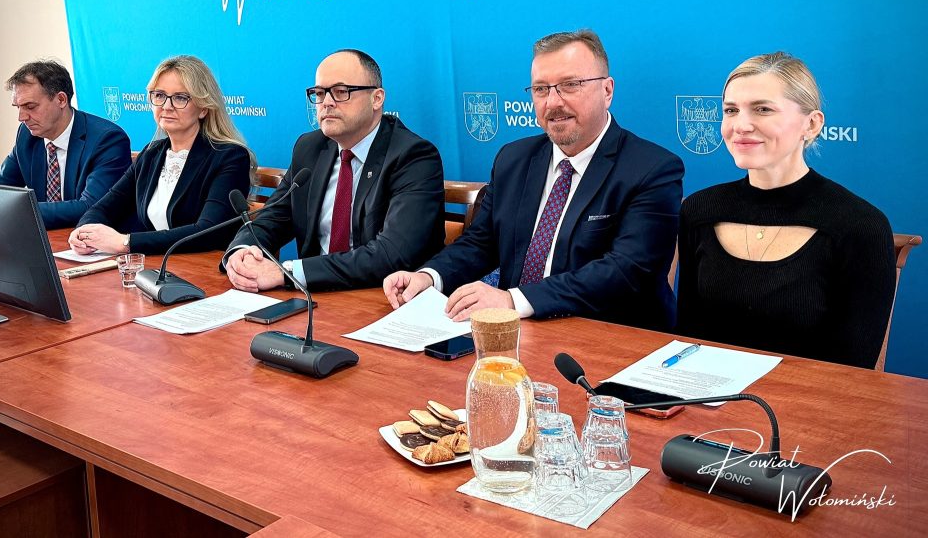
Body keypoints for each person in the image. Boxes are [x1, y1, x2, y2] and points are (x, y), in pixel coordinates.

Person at [383, 30, 684, 329]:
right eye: (541, 89)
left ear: (607, 91)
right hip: (517, 334)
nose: (553, 102)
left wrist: (514, 301)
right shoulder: (514, 159)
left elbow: (627, 272)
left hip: (608, 337)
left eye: (570, 85)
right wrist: (429, 277)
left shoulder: (652, 169)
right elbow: (481, 244)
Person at [676, 52, 895, 368]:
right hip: (705, 396)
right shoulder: (699, 210)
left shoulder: (861, 225)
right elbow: (689, 343)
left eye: (763, 109)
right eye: (731, 110)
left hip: (808, 398)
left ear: (812, 124)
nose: (741, 125)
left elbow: (852, 372)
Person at [223, 49, 444, 292]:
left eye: (341, 92)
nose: (327, 102)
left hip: (380, 297)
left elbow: (392, 254)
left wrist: (287, 273)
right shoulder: (309, 148)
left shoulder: (413, 156)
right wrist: (242, 251)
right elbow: (274, 217)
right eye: (319, 93)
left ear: (377, 98)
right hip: (312, 297)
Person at [68, 55, 253, 256]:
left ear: (203, 109)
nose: (166, 106)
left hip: (205, 266)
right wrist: (83, 232)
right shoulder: (151, 154)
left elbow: (207, 232)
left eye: (180, 98)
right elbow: (103, 208)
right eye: (159, 95)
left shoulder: (230, 157)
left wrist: (126, 242)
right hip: (158, 264)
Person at [0, 60, 131, 229]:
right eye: (18, 107)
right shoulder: (27, 136)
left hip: (94, 239)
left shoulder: (107, 140)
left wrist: (18, 210)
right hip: (48, 237)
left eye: (30, 106)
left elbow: (91, 207)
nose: (22, 117)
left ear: (61, 100)